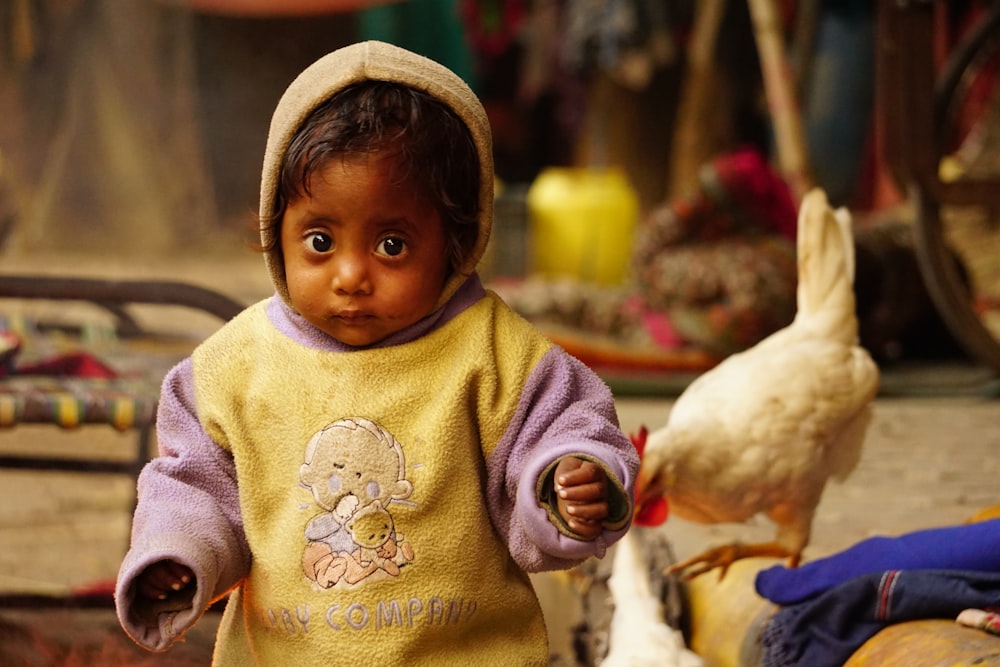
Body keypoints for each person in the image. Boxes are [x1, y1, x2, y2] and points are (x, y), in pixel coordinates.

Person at [114, 40, 638, 665]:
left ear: (458, 239)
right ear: (272, 229)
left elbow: (565, 424)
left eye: (392, 244)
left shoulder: (493, 353)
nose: (351, 275)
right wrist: (177, 551)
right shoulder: (232, 369)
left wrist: (565, 479)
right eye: (319, 240)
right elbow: (193, 487)